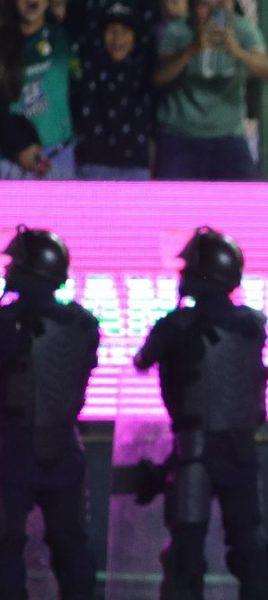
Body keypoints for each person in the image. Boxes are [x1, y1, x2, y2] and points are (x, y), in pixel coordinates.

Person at [133, 227, 268, 600]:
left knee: (186, 555)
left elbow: (142, 361)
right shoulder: (251, 325)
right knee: (250, 548)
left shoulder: (175, 327)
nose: (182, 276)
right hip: (240, 452)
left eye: (189, 269)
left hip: (194, 452)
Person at [0, 225, 99, 600]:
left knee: (6, 545)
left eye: (13, 263)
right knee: (70, 543)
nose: (7, 270)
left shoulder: (6, 324)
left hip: (11, 450)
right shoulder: (82, 324)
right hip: (65, 449)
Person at [152, 0, 268, 180]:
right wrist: (193, 49)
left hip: (228, 133)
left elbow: (266, 70)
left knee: (249, 193)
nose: (212, 12)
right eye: (205, 6)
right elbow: (159, 76)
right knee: (170, 198)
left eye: (220, 6)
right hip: (180, 133)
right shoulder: (178, 30)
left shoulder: (242, 29)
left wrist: (236, 51)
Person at [72, 2, 157, 181]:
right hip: (92, 165)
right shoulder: (89, 63)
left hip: (135, 167)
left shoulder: (146, 66)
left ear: (135, 37)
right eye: (111, 31)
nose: (117, 39)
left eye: (125, 31)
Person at [0, 0, 80, 180]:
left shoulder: (63, 36)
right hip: (12, 157)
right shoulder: (3, 43)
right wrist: (17, 145)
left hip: (58, 153)